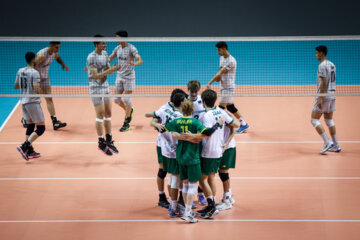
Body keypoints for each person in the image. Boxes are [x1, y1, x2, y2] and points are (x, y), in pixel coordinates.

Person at [165, 99, 224, 223]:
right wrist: (217, 124)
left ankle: (188, 211)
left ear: (182, 109)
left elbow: (165, 128)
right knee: (192, 186)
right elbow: (208, 132)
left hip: (181, 157)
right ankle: (187, 213)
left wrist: (179, 135)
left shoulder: (176, 121)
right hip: (192, 158)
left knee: (185, 185)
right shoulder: (195, 122)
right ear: (192, 110)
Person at [197, 89, 240, 218]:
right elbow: (236, 124)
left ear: (203, 102)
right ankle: (212, 205)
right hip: (218, 151)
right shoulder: (221, 112)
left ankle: (212, 206)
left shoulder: (207, 116)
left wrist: (190, 136)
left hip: (209, 151)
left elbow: (206, 133)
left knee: (203, 179)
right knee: (210, 177)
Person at [144, 89, 188, 209]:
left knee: (175, 173)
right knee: (165, 171)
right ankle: (163, 197)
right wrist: (157, 125)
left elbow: (149, 115)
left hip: (171, 144)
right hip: (164, 144)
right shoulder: (165, 108)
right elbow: (152, 120)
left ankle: (178, 199)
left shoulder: (174, 110)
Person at [86, 34, 120, 156]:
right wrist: (109, 71)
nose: (105, 45)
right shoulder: (91, 57)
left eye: (105, 43)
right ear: (96, 44)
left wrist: (113, 68)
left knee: (108, 113)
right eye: (103, 43)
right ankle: (101, 142)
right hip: (95, 88)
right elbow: (95, 76)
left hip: (105, 86)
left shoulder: (105, 54)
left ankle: (109, 140)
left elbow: (108, 68)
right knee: (100, 114)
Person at [207, 41, 249, 133]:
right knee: (230, 107)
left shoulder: (231, 61)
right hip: (223, 86)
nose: (218, 52)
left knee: (220, 109)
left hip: (229, 88)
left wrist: (210, 82)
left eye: (219, 50)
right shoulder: (221, 58)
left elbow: (220, 72)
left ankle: (221, 125)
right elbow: (219, 72)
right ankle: (244, 124)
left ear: (224, 49)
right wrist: (217, 79)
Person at [109, 30, 143, 132]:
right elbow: (110, 57)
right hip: (119, 76)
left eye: (118, 38)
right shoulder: (117, 48)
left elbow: (140, 60)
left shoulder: (131, 48)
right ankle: (129, 110)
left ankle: (126, 122)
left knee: (127, 100)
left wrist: (135, 63)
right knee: (116, 100)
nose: (116, 39)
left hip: (129, 77)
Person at [15, 52, 46, 161]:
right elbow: (36, 88)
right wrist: (44, 93)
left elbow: (16, 86)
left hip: (23, 102)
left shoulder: (20, 71)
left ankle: (29, 151)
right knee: (41, 128)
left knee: (30, 126)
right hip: (32, 102)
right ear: (33, 60)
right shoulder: (35, 73)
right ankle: (25, 146)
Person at [311, 45, 341, 154]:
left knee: (314, 119)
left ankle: (327, 142)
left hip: (324, 96)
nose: (316, 55)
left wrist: (320, 97)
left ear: (321, 53)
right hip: (332, 95)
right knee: (329, 120)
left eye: (316, 53)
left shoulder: (322, 66)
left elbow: (323, 82)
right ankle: (336, 145)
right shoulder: (333, 65)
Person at [34, 41, 68, 130]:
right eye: (56, 47)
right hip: (36, 79)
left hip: (45, 78)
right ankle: (25, 119)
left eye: (59, 48)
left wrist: (63, 64)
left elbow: (57, 57)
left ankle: (55, 121)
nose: (58, 49)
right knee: (33, 100)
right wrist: (33, 80)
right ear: (51, 46)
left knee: (49, 98)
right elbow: (32, 65)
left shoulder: (54, 52)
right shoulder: (42, 55)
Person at [186, 80, 207, 206]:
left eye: (195, 91)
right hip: (187, 139)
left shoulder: (202, 101)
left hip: (200, 139)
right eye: (191, 91)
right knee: (188, 169)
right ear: (187, 90)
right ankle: (189, 196)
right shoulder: (184, 101)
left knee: (201, 168)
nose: (193, 94)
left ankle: (200, 194)